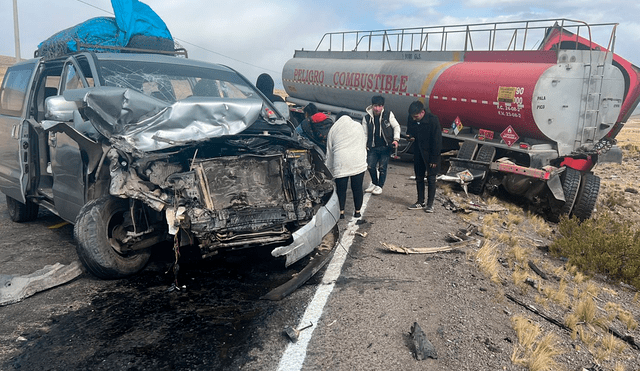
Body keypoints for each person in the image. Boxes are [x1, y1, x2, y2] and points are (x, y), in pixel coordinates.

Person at [325, 112, 368, 219]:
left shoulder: (334, 128)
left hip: (341, 161)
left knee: (341, 189)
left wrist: (329, 169)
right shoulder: (358, 126)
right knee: (357, 188)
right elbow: (363, 143)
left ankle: (341, 212)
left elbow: (329, 151)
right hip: (357, 161)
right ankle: (357, 212)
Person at [406, 100, 442, 213]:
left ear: (422, 112)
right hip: (418, 152)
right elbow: (409, 131)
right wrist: (409, 136)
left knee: (431, 178)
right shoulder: (411, 119)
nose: (414, 118)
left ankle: (430, 204)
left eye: (416, 116)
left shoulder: (433, 120)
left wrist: (434, 159)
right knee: (419, 177)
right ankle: (420, 201)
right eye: (412, 116)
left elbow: (437, 141)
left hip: (430, 153)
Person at [361, 95, 400, 195]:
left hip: (385, 146)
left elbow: (396, 126)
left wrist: (396, 139)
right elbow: (364, 133)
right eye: (375, 106)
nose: (377, 108)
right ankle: (374, 183)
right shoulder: (366, 118)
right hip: (373, 147)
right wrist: (363, 146)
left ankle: (380, 186)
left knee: (382, 167)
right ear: (372, 105)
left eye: (379, 106)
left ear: (382, 106)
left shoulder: (388, 115)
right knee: (370, 166)